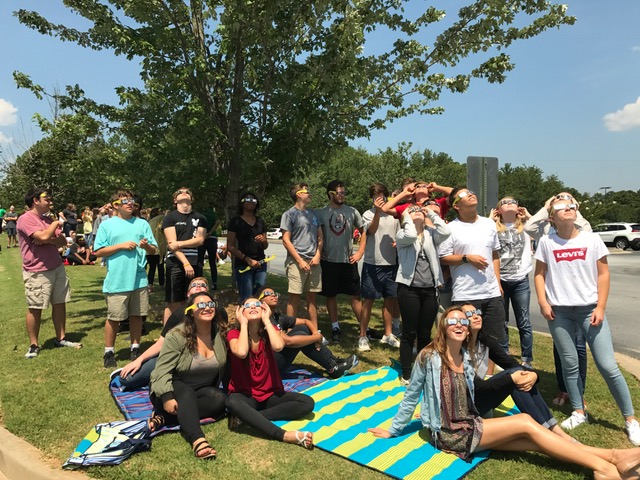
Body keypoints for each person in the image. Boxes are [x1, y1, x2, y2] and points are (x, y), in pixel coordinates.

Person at [368, 306, 640, 479]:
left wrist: (520, 373)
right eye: (453, 321)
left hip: (471, 424)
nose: (459, 324)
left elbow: (478, 390)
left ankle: (613, 456)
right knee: (524, 422)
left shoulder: (465, 355)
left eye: (464, 321)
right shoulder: (429, 357)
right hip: (450, 433)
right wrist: (394, 428)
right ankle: (604, 467)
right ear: (443, 327)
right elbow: (411, 395)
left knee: (536, 441)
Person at [534, 196, 640, 444]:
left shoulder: (592, 239)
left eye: (572, 206)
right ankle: (578, 411)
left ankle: (631, 420)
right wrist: (543, 302)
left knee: (607, 365)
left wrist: (600, 306)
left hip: (589, 309)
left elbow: (603, 274)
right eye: (562, 207)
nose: (569, 209)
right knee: (569, 362)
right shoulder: (546, 242)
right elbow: (540, 275)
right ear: (552, 218)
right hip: (558, 311)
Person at [462, 304, 575, 442]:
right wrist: (511, 379)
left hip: (480, 398)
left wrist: (534, 375)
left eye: (477, 312)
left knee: (518, 375)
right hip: (466, 407)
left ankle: (555, 432)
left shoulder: (485, 340)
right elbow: (477, 388)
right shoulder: (458, 349)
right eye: (469, 314)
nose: (475, 316)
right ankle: (551, 435)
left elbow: (513, 365)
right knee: (513, 378)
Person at [525, 192, 590, 406]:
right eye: (559, 202)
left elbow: (584, 229)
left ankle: (579, 392)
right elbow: (528, 227)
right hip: (556, 296)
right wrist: (546, 205)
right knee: (560, 346)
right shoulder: (545, 230)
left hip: (580, 297)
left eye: (568, 202)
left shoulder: (582, 227)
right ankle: (564, 388)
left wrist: (572, 205)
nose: (565, 205)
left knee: (579, 346)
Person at [225, 297, 315, 450]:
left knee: (307, 403)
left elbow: (279, 346)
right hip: (246, 396)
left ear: (264, 309)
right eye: (248, 306)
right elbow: (241, 352)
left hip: (269, 394)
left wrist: (267, 321)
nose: (253, 307)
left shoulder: (270, 331)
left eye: (257, 305)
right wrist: (244, 324)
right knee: (232, 402)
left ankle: (250, 418)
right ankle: (283, 435)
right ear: (241, 311)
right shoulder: (234, 333)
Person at [148, 292, 228, 459]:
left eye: (211, 304)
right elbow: (161, 370)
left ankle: (165, 419)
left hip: (200, 392)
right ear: (191, 311)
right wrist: (167, 397)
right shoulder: (177, 335)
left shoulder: (219, 334)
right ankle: (198, 440)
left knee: (220, 400)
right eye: (201, 305)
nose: (207, 308)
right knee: (186, 392)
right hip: (171, 387)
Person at [94, 189, 158, 368]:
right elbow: (98, 251)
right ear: (116, 205)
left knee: (137, 316)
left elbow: (154, 250)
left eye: (132, 200)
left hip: (139, 278)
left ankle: (135, 348)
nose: (130, 203)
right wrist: (120, 246)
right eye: (125, 201)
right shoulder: (107, 225)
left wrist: (146, 247)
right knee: (114, 317)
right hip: (117, 279)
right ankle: (109, 352)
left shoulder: (142, 224)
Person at [439, 187, 507, 353]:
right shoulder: (451, 228)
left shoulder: (489, 223)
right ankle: (468, 375)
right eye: (463, 194)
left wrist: (497, 282)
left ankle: (489, 376)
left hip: (491, 293)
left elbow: (495, 254)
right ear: (456, 206)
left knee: (495, 340)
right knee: (467, 339)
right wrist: (466, 258)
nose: (470, 194)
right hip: (466, 294)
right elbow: (444, 257)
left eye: (470, 191)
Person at [16, 188, 82, 358]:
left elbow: (61, 241)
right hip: (37, 270)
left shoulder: (47, 219)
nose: (50, 200)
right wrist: (54, 226)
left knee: (60, 303)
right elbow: (44, 237)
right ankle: (33, 344)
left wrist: (47, 239)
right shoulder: (25, 219)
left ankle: (61, 338)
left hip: (56, 266)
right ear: (35, 200)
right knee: (35, 307)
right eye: (47, 197)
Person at [116, 277, 214, 390]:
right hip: (175, 357)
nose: (198, 286)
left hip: (200, 360)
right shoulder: (178, 314)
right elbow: (161, 343)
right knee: (127, 379)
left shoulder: (214, 313)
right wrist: (139, 360)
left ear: (208, 292)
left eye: (202, 285)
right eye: (194, 285)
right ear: (188, 294)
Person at [395, 203, 450, 384]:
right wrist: (407, 217)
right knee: (409, 332)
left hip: (429, 290)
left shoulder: (431, 234)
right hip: (409, 289)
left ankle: (423, 369)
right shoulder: (402, 234)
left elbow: (446, 232)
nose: (417, 211)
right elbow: (410, 234)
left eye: (419, 209)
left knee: (425, 333)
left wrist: (432, 215)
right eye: (412, 210)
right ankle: (407, 372)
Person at [258, 287, 358, 378]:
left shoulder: (278, 317)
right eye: (268, 293)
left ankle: (333, 362)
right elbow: (288, 341)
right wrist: (316, 338)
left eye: (274, 293)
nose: (273, 295)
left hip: (275, 359)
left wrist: (316, 333)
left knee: (303, 328)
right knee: (301, 336)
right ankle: (333, 367)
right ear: (260, 300)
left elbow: (306, 321)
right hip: (267, 368)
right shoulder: (263, 318)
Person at [315, 180, 365, 343]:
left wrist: (359, 253)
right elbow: (315, 234)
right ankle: (335, 327)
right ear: (331, 194)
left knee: (355, 296)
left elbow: (364, 232)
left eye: (344, 192)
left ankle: (364, 328)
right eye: (339, 193)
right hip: (329, 262)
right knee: (331, 295)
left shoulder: (352, 211)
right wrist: (319, 251)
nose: (343, 195)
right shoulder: (321, 213)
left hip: (348, 261)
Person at [358, 183, 401, 351]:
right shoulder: (368, 214)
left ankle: (388, 334)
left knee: (390, 299)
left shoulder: (394, 214)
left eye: (382, 196)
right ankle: (362, 335)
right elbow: (372, 230)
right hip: (373, 263)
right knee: (368, 301)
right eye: (376, 196)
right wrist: (377, 211)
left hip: (392, 263)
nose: (379, 199)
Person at [492, 197, 534, 366]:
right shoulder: (492, 228)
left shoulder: (526, 228)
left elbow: (545, 229)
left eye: (513, 202)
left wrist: (529, 216)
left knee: (524, 321)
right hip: (500, 280)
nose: (509, 203)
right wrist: (490, 219)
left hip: (520, 280)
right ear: (498, 210)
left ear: (518, 208)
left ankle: (527, 359)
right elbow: (480, 236)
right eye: (504, 202)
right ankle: (505, 357)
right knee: (502, 321)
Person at [280, 182, 323, 328]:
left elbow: (320, 238)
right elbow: (286, 240)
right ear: (298, 194)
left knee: (312, 298)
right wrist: (299, 260)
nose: (309, 193)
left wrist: (317, 255)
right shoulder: (289, 214)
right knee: (294, 297)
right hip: (296, 262)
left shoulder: (314, 214)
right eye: (306, 191)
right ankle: (289, 330)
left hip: (314, 262)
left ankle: (315, 330)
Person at [162, 187, 207, 323]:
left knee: (194, 297)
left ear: (191, 199)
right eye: (179, 192)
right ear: (175, 200)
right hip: (175, 262)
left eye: (187, 192)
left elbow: (200, 240)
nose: (184, 193)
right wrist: (185, 263)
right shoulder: (170, 218)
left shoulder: (200, 218)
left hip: (195, 261)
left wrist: (179, 244)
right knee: (173, 300)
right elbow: (171, 244)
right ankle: (168, 333)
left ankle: (189, 328)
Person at [227, 192, 269, 301]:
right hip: (243, 264)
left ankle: (257, 315)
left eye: (253, 200)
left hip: (260, 264)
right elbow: (230, 246)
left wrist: (264, 241)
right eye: (247, 199)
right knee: (247, 296)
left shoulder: (260, 221)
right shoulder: (235, 221)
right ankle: (245, 315)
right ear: (242, 204)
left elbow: (265, 246)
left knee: (260, 291)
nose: (251, 202)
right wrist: (247, 259)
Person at [146, 207, 166, 292]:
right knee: (160, 266)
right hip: (159, 246)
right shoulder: (162, 218)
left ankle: (150, 285)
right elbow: (163, 228)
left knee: (152, 267)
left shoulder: (149, 221)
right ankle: (162, 284)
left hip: (149, 247)